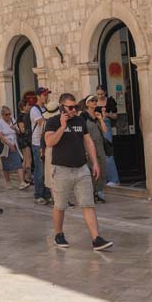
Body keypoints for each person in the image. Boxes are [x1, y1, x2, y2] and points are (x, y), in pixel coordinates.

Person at [44, 93, 113, 251]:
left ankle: (96, 239)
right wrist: (62, 126)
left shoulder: (80, 121)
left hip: (81, 168)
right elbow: (49, 142)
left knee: (88, 204)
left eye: (75, 107)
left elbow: (88, 142)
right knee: (60, 205)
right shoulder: (53, 122)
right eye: (70, 107)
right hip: (61, 169)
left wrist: (95, 163)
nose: (74, 110)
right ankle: (59, 234)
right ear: (62, 107)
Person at [81, 96, 108, 203]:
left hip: (99, 145)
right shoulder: (83, 116)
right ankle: (91, 192)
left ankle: (98, 191)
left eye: (96, 101)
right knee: (92, 169)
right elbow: (82, 134)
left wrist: (101, 119)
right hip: (88, 145)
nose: (95, 102)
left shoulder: (97, 115)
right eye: (92, 101)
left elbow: (105, 131)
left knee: (102, 167)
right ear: (87, 103)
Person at [94, 85, 121, 186]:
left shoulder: (110, 101)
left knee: (108, 152)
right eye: (98, 94)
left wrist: (107, 115)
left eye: (101, 94)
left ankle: (114, 179)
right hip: (96, 125)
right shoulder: (94, 102)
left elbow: (115, 116)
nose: (100, 96)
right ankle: (103, 179)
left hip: (106, 124)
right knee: (99, 153)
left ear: (105, 92)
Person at [0, 105, 27, 190]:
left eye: (10, 114)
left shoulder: (12, 120)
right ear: (2, 115)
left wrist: (15, 128)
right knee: (6, 165)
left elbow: (18, 132)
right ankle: (7, 182)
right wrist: (9, 145)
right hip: (5, 145)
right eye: (6, 114)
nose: (9, 116)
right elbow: (1, 136)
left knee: (18, 162)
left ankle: (22, 182)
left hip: (15, 144)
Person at [30, 88, 52, 204]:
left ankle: (47, 194)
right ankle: (38, 194)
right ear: (38, 96)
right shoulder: (35, 109)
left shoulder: (46, 108)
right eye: (44, 95)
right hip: (38, 143)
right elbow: (42, 123)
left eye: (47, 95)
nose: (46, 97)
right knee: (40, 170)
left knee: (47, 170)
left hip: (47, 142)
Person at [16, 98, 33, 183]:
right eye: (28, 105)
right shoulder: (21, 116)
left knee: (28, 159)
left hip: (27, 139)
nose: (29, 107)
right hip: (24, 140)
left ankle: (26, 178)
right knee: (27, 159)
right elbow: (22, 129)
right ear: (23, 106)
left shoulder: (26, 115)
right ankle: (26, 178)